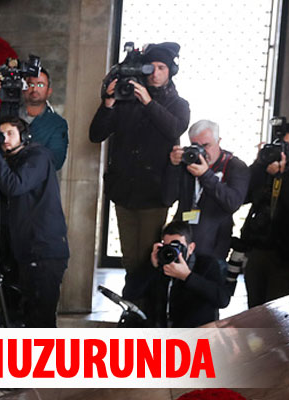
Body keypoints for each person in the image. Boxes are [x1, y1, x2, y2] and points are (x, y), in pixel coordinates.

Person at [89, 42, 190, 299]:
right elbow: (96, 134)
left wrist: (148, 102)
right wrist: (108, 102)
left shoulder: (178, 103)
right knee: (130, 258)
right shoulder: (126, 100)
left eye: (161, 67)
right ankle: (134, 306)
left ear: (171, 71)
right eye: (150, 67)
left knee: (149, 257)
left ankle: (147, 308)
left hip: (154, 193)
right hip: (124, 191)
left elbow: (174, 128)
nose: (155, 73)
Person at [0, 116, 69, 328]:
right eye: (1, 134)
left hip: (43, 251)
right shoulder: (9, 162)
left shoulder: (38, 157)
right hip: (23, 250)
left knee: (40, 318)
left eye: (10, 133)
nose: (5, 139)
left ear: (25, 136)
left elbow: (15, 185)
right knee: (22, 315)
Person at [242, 122, 289, 308]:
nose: (285, 151)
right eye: (283, 145)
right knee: (254, 308)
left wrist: (281, 176)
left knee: (277, 309)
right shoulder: (265, 167)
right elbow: (243, 196)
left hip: (285, 252)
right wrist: (259, 164)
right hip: (257, 246)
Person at [162, 120, 250, 261]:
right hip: (182, 244)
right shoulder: (188, 162)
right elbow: (167, 199)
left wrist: (205, 175)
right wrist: (173, 166)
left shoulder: (235, 166)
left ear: (218, 141)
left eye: (206, 145)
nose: (202, 152)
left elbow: (232, 203)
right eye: (196, 146)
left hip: (214, 249)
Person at [124, 221, 233, 328]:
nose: (171, 251)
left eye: (177, 247)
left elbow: (223, 300)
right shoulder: (158, 263)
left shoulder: (206, 265)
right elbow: (129, 294)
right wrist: (151, 267)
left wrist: (188, 276)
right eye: (167, 246)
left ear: (191, 248)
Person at [0, 68, 69, 170]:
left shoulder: (57, 124)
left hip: (35, 177)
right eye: (30, 84)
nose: (34, 89)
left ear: (49, 91)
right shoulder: (9, 111)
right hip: (3, 173)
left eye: (40, 85)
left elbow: (56, 161)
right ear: (23, 88)